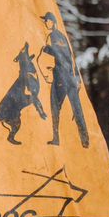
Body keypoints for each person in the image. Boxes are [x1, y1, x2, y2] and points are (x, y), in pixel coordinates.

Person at [37, 12, 89, 148]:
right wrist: (76, 78)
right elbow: (70, 57)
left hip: (61, 77)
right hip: (70, 77)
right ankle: (85, 140)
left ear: (52, 22)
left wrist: (46, 49)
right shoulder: (63, 37)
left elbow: (57, 54)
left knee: (55, 107)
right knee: (77, 109)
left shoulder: (53, 36)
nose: (45, 23)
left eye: (47, 20)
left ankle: (56, 138)